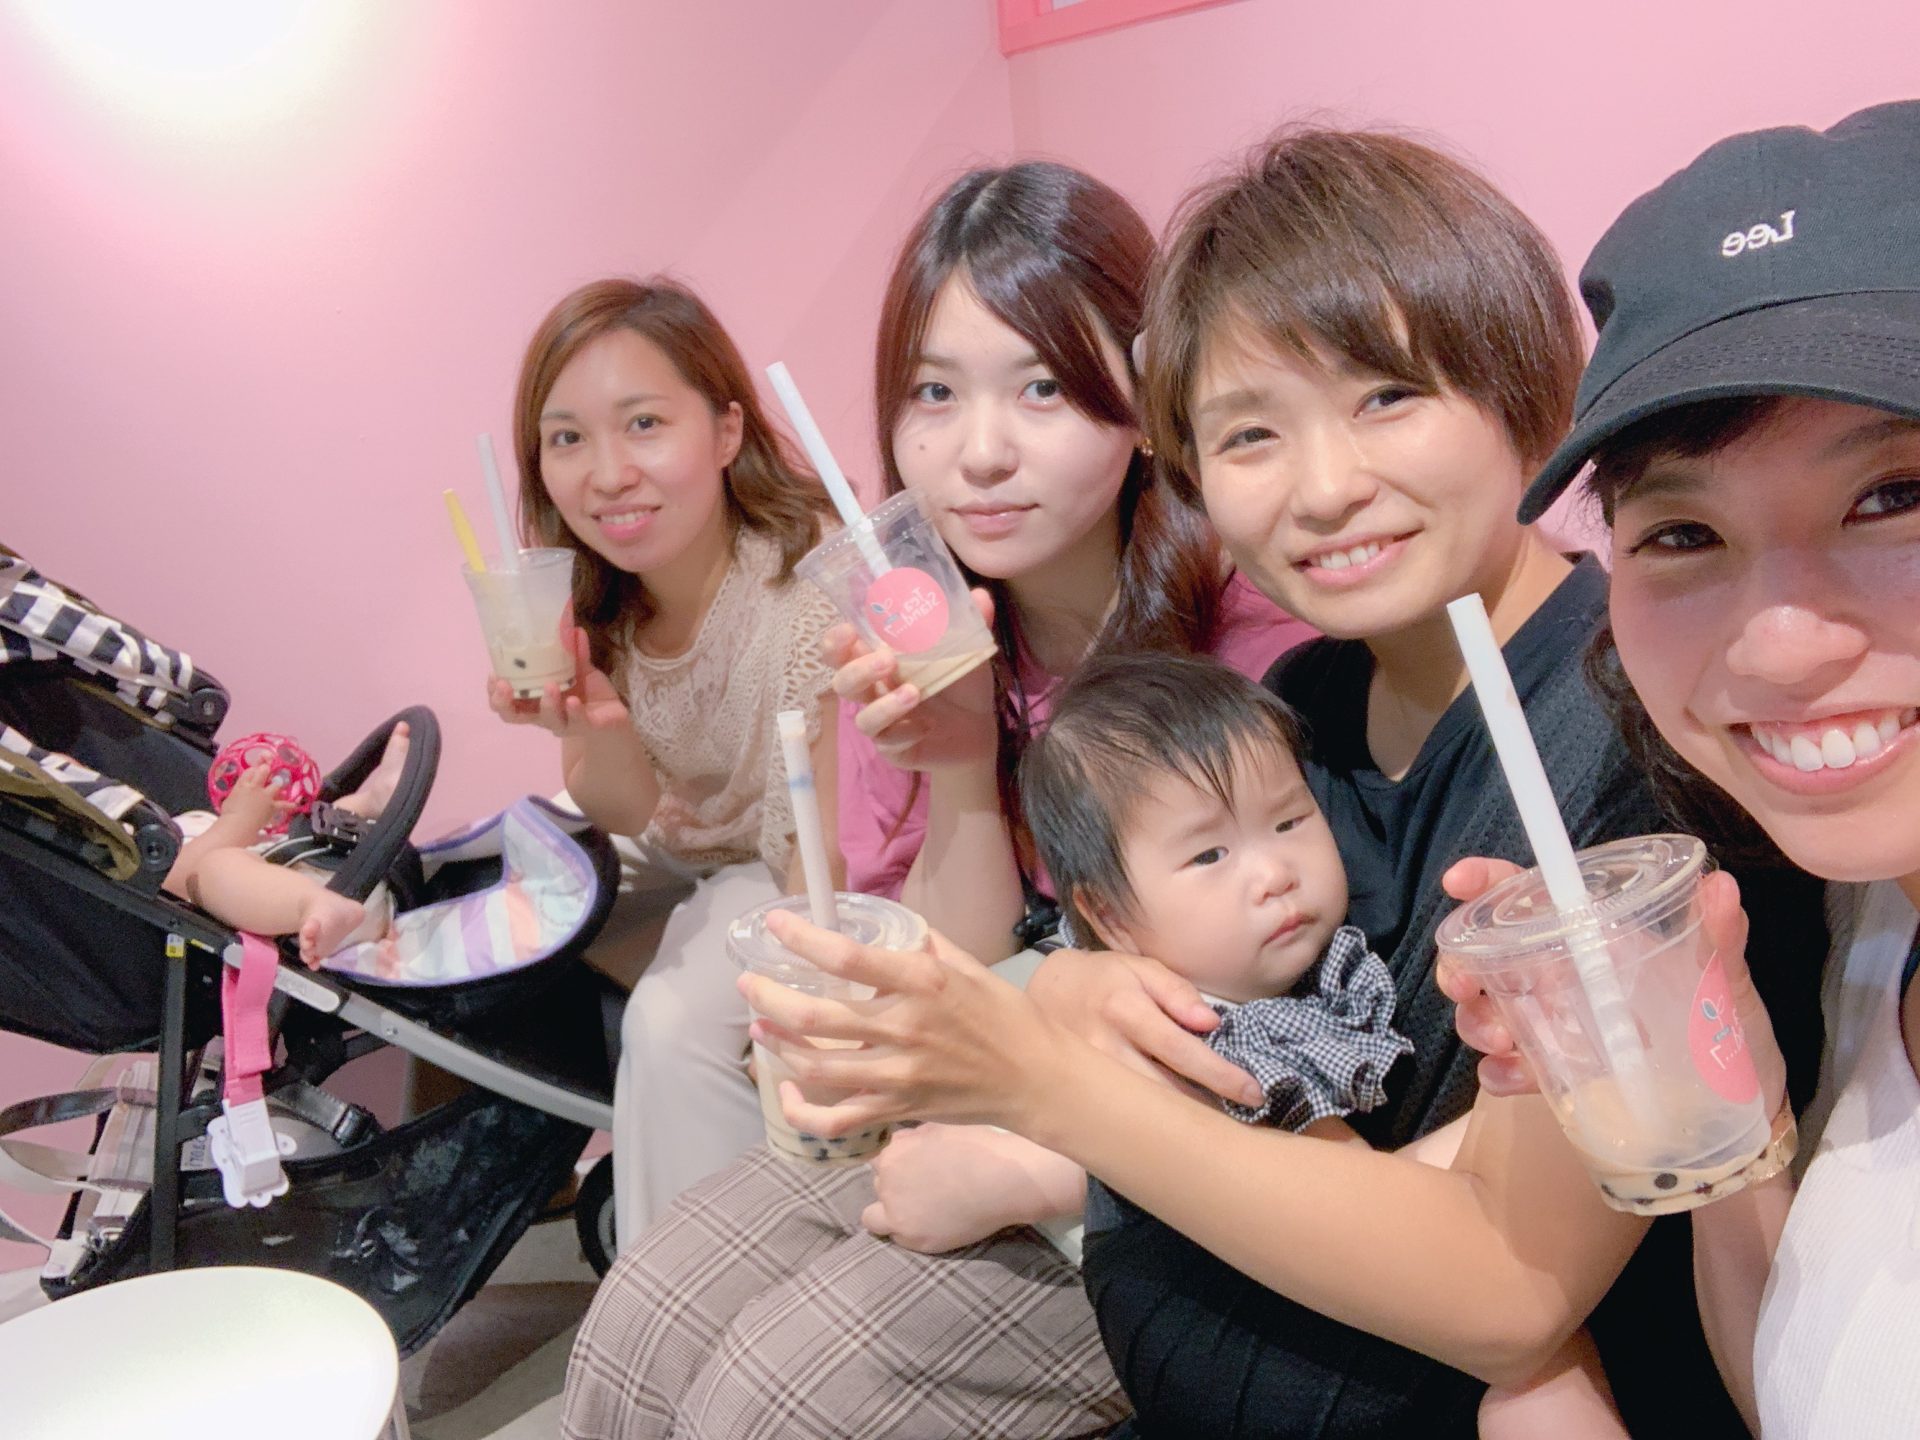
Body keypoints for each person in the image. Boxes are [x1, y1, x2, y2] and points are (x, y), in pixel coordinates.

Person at [739, 128, 1827, 1438]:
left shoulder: (1624, 743)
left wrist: (1046, 1089)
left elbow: (1511, 1291)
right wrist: (1081, 989)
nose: (1324, 489)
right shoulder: (1308, 701)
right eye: (1251, 432)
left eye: (1387, 398)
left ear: (1522, 389)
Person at [563, 162, 1307, 1440]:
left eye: (1042, 387)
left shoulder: (1251, 636)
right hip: (981, 1084)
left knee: (769, 1402)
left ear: (1145, 399)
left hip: (1188, 1132)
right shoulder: (906, 638)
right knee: (640, 1322)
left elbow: (1286, 984)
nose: (980, 452)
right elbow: (957, 957)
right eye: (934, 394)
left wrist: (1034, 1139)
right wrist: (960, 763)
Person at [1440, 100, 1920, 1439]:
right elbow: (1808, 1387)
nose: (1779, 646)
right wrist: (1732, 1108)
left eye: (1893, 496)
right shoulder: (1868, 908)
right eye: (1682, 534)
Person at [1022, 651, 1628, 1439]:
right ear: (1109, 916)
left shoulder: (1294, 978)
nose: (1274, 872)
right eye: (1209, 856)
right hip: (1275, 1325)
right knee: (1545, 1373)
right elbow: (1375, 1202)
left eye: (1288, 821)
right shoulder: (1214, 1038)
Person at [487, 277, 840, 1246]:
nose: (607, 475)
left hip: (807, 862)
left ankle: (703, 1286)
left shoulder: (807, 595)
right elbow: (635, 811)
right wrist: (587, 724)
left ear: (727, 431)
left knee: (672, 1021)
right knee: (495, 910)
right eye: (567, 438)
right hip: (708, 848)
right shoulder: (604, 597)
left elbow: (820, 866)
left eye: (644, 423)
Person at [166, 722, 411, 966]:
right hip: (317, 908)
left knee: (320, 818)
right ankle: (311, 904)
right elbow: (169, 882)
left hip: (354, 873)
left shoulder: (188, 826)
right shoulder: (168, 845)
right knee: (212, 868)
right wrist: (237, 820)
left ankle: (375, 801)